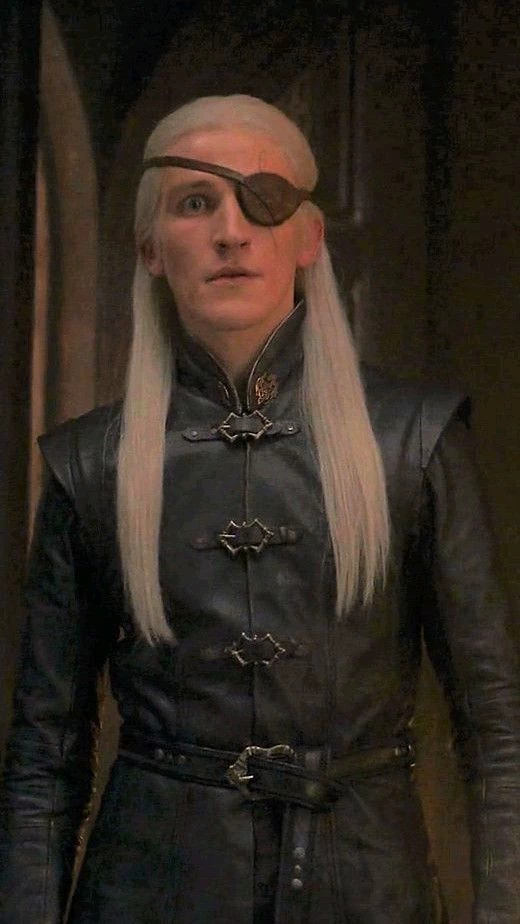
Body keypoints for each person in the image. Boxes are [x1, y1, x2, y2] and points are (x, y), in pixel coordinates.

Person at [0, 93, 519, 924]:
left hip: (366, 892)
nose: (231, 232)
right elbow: (44, 752)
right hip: (147, 895)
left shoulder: (414, 442)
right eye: (194, 203)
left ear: (308, 239)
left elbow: (497, 732)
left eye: (262, 201)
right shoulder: (90, 465)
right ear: (150, 248)